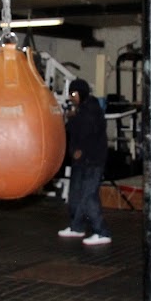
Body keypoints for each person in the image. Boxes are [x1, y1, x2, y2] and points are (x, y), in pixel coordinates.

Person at [58, 78, 111, 245]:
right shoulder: (82, 110)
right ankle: (77, 227)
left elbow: (88, 134)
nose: (71, 97)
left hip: (92, 161)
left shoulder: (91, 112)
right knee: (75, 195)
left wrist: (82, 151)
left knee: (88, 197)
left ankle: (101, 231)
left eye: (74, 94)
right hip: (81, 161)